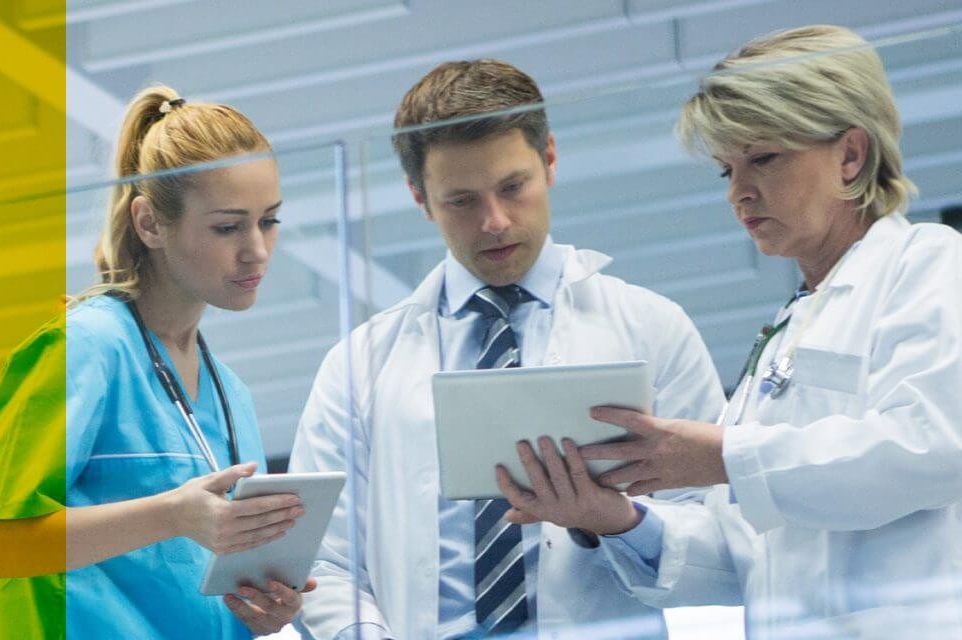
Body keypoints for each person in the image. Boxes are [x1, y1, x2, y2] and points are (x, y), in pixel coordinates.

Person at [497, 25, 962, 639]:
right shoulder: (790, 327)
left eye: (764, 158)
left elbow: (932, 446)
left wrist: (723, 456)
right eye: (726, 170)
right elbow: (744, 555)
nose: (740, 193)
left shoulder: (931, 263)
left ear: (850, 155)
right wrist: (615, 519)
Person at [288, 59, 725, 639]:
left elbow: (722, 542)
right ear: (420, 198)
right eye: (461, 201)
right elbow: (323, 561)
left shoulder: (652, 328)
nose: (494, 222)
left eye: (512, 187)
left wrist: (619, 522)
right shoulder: (358, 365)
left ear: (549, 160)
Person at [0, 85, 312, 639]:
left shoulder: (230, 392)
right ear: (149, 224)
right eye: (228, 226)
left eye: (269, 221)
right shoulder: (84, 348)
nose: (257, 249)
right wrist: (171, 515)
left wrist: (268, 609)